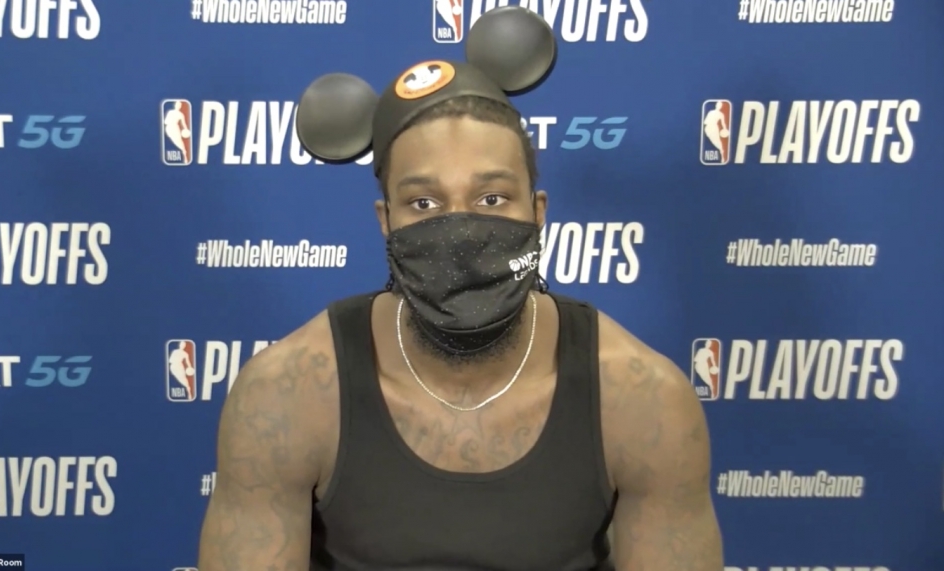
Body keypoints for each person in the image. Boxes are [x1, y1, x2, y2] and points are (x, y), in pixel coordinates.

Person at [198, 8, 723, 570]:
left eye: (491, 199)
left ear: (537, 213)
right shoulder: (287, 396)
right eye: (424, 203)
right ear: (386, 221)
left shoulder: (641, 400)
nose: (461, 230)